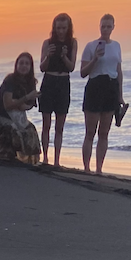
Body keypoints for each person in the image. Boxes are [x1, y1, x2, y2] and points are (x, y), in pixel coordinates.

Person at [80, 14, 126, 174]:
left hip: (111, 87)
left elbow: (118, 71)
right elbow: (83, 72)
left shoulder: (117, 46)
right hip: (95, 86)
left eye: (108, 26)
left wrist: (120, 95)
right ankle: (86, 167)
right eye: (103, 26)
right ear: (99, 27)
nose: (106, 29)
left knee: (104, 132)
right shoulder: (91, 46)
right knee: (90, 132)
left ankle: (99, 168)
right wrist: (95, 59)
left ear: (113, 27)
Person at [0, 52, 42, 163]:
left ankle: (29, 159)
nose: (24, 66)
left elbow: (31, 104)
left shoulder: (31, 82)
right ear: (16, 65)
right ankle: (5, 155)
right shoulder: (10, 80)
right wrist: (24, 99)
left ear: (31, 67)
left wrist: (20, 104)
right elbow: (7, 104)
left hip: (17, 115)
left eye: (27, 64)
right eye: (21, 63)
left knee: (31, 129)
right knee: (10, 128)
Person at [39, 13, 77, 166]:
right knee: (46, 123)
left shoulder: (72, 43)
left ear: (68, 28)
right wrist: (48, 56)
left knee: (59, 125)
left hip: (63, 82)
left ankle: (57, 159)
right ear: (54, 28)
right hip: (49, 80)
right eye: (58, 28)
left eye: (63, 28)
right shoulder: (47, 43)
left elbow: (72, 67)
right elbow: (41, 67)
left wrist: (63, 57)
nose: (61, 31)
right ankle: (46, 157)